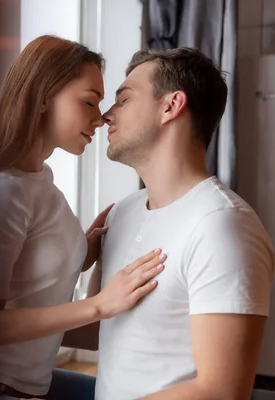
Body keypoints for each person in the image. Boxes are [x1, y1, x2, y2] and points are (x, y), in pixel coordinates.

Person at [0, 35, 166, 400]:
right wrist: (99, 303)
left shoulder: (40, 183)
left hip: (25, 384)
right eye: (89, 101)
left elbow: (31, 282)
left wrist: (84, 254)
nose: (100, 118)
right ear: (44, 95)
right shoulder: (2, 191)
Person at [79, 47, 274, 399]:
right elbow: (94, 328)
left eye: (123, 100)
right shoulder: (121, 213)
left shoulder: (222, 226)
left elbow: (222, 391)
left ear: (171, 106)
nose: (106, 115)